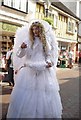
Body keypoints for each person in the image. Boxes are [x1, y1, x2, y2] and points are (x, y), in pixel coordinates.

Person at [7, 20, 62, 118]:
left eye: (37, 28)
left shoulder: (45, 42)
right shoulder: (28, 40)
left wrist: (49, 62)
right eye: (33, 29)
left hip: (43, 70)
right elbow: (19, 55)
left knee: (42, 93)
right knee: (28, 92)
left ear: (40, 29)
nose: (35, 31)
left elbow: (48, 55)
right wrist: (21, 48)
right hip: (29, 70)